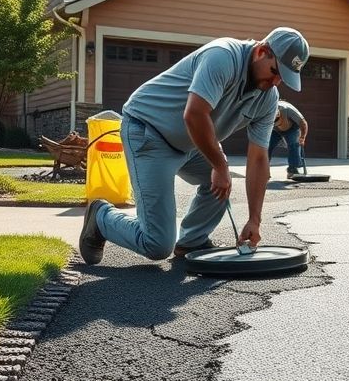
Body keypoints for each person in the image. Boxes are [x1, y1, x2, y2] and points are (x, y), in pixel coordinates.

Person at [78, 27, 310, 264]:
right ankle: (101, 217)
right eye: (274, 71)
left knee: (221, 183)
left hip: (191, 141)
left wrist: (254, 220)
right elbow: (195, 114)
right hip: (148, 131)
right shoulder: (223, 56)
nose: (275, 82)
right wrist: (219, 165)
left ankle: (192, 241)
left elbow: (259, 158)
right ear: (262, 51)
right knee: (157, 244)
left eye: (283, 78)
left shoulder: (268, 98)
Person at [268, 100, 308, 180]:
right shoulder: (267, 111)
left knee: (294, 145)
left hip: (292, 128)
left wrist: (302, 137)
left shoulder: (288, 110)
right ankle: (263, 169)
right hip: (274, 130)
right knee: (266, 146)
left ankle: (293, 169)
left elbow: (303, 123)